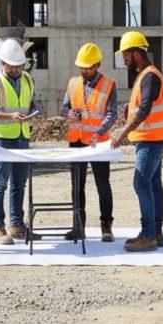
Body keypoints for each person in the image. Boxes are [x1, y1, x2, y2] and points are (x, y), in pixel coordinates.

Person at [111, 31, 163, 252]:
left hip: (150, 140)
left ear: (136, 53)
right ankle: (155, 233)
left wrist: (122, 133)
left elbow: (145, 110)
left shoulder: (149, 76)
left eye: (126, 54)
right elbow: (142, 106)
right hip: (153, 139)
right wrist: (129, 110)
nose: (124, 59)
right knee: (153, 184)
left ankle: (148, 235)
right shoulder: (145, 74)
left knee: (141, 183)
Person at [0, 38, 39, 245]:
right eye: (12, 66)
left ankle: (16, 225)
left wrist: (34, 115)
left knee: (19, 184)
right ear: (2, 63)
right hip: (1, 139)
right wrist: (9, 117)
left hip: (22, 136)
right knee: (0, 184)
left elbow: (32, 105)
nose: (17, 70)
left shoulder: (28, 80)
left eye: (20, 66)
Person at [62, 42, 117, 242]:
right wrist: (69, 113)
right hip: (76, 141)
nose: (83, 70)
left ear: (97, 65)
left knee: (103, 185)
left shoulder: (108, 85)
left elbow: (112, 114)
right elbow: (64, 108)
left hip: (98, 143)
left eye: (88, 67)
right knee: (77, 186)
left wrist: (99, 131)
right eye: (81, 67)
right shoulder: (73, 83)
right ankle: (78, 227)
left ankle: (106, 226)